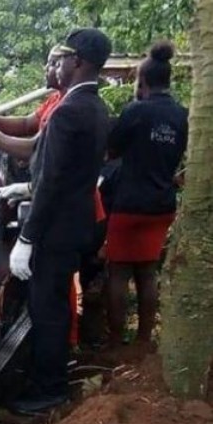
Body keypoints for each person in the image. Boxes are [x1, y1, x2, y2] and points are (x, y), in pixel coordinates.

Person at [2, 28, 112, 413]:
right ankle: (49, 379)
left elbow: (51, 181)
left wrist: (28, 238)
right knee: (55, 307)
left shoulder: (68, 111)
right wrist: (26, 189)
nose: (54, 66)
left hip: (56, 229)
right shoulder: (96, 108)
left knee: (47, 310)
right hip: (75, 225)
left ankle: (49, 390)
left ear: (76, 62)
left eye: (59, 59)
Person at [105, 41, 188, 353]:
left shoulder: (135, 111)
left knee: (118, 271)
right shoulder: (182, 115)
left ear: (143, 82)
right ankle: (143, 341)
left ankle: (115, 341)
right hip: (162, 204)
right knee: (147, 271)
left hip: (129, 204)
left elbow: (111, 150)